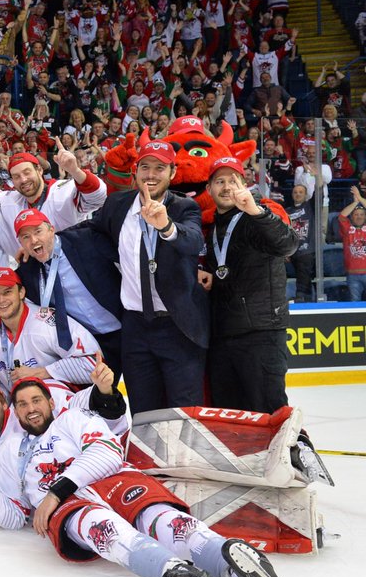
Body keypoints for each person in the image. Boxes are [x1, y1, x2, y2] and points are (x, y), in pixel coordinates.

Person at [0, 374, 296, 577]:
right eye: (22, 403)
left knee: (160, 517)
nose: (30, 408)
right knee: (105, 529)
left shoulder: (72, 418)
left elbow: (107, 452)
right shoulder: (10, 453)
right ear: (14, 411)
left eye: (36, 400)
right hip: (70, 507)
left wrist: (54, 493)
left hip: (108, 481)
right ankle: (177, 570)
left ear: (50, 403)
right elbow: (14, 517)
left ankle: (222, 555)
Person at [87, 141, 208, 413]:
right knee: (143, 411)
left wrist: (165, 226)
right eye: (145, 167)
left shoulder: (184, 207)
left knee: (185, 412)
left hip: (177, 326)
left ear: (173, 173)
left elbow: (193, 241)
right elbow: (90, 232)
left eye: (159, 168)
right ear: (135, 170)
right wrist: (46, 240)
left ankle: (185, 459)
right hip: (135, 327)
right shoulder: (118, 205)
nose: (151, 175)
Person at [202, 157, 298, 412]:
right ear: (209, 189)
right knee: (232, 417)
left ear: (244, 185)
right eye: (219, 181)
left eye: (232, 181)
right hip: (223, 337)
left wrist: (255, 210)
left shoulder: (257, 217)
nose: (225, 187)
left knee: (269, 410)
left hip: (261, 333)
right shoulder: (211, 227)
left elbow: (288, 245)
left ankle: (294, 452)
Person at [11, 208, 124, 380]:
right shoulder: (27, 272)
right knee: (104, 399)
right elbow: (0, 296)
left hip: (127, 329)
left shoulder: (85, 240)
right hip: (91, 344)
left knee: (144, 394)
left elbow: (106, 219)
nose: (33, 240)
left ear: (51, 229)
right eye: (26, 237)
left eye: (38, 232)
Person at [0, 267, 100, 393]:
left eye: (7, 292)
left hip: (61, 402)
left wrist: (42, 373)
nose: (1, 300)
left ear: (21, 292)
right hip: (18, 407)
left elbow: (93, 364)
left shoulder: (49, 322)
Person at [0, 145, 108, 259]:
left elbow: (98, 196)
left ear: (39, 169)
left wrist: (75, 170)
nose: (23, 180)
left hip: (77, 265)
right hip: (40, 270)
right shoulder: (11, 199)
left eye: (27, 172)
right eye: (16, 176)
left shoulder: (63, 190)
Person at [284, 184, 317, 302]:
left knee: (304, 270)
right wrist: (285, 252)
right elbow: (284, 232)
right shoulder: (287, 211)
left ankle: (300, 296)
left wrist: (318, 178)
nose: (298, 194)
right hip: (293, 251)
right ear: (292, 195)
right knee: (303, 274)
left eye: (300, 192)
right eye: (295, 192)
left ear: (305, 195)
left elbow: (319, 195)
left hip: (307, 249)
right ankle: (307, 298)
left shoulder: (310, 206)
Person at [338, 185, 366, 301]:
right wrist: (355, 203)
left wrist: (359, 197)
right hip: (352, 275)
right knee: (355, 304)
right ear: (352, 217)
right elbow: (342, 216)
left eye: (361, 214)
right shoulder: (347, 229)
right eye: (356, 214)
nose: (359, 217)